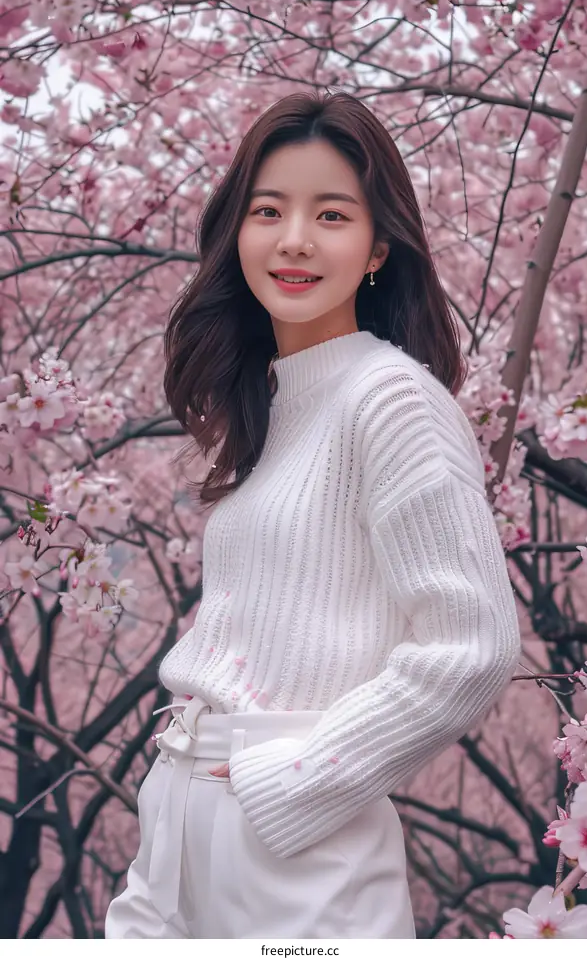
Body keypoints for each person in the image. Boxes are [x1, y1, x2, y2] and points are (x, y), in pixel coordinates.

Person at [104, 91, 521, 940]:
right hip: (181, 813)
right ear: (239, 233)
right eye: (269, 210)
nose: (294, 238)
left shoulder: (392, 397)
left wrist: (296, 781)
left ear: (377, 248)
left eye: (331, 214)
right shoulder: (274, 405)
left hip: (293, 835)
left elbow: (472, 644)